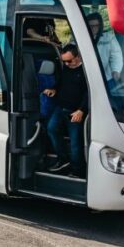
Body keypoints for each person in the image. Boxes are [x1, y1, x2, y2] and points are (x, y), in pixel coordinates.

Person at [44, 45, 88, 178]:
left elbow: (89, 94)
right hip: (60, 108)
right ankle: (63, 159)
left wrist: (81, 110)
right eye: (64, 61)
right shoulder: (66, 69)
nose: (67, 64)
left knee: (75, 143)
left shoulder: (86, 72)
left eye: (70, 61)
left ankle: (77, 171)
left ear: (78, 56)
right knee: (51, 129)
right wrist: (53, 89)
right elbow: (61, 82)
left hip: (75, 112)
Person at [86, 13, 123, 86]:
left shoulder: (108, 37)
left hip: (106, 77)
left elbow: (116, 55)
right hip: (87, 76)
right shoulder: (81, 37)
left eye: (96, 26)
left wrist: (115, 70)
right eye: (91, 26)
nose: (93, 28)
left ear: (100, 25)